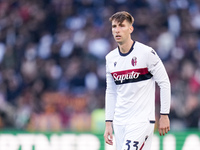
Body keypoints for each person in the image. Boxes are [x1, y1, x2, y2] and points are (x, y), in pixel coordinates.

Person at [104, 11, 171, 150]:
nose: (117, 30)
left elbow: (164, 82)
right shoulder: (110, 58)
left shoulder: (146, 53)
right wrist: (108, 123)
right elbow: (111, 92)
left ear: (130, 29)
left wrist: (164, 114)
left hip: (141, 121)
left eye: (122, 26)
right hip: (120, 121)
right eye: (114, 26)